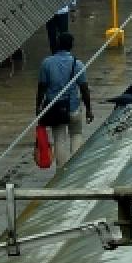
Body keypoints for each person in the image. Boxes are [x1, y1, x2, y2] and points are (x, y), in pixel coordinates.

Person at [36, 32, 92, 168]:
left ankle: (62, 170)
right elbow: (84, 89)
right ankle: (76, 167)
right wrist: (89, 109)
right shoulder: (77, 64)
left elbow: (41, 88)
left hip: (55, 110)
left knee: (59, 140)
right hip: (73, 108)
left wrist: (38, 108)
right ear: (71, 46)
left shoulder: (47, 63)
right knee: (77, 134)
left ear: (58, 44)